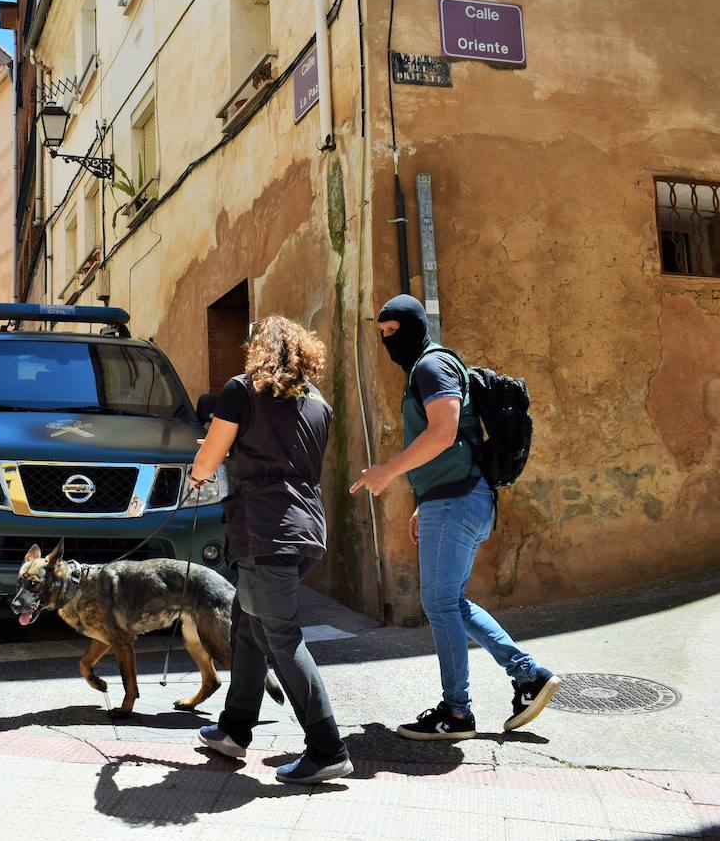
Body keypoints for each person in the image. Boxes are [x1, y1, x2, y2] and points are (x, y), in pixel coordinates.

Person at [350, 294, 558, 740]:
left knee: (441, 603)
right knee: (451, 602)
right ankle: (528, 677)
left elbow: (444, 434)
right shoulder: (426, 367)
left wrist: (388, 472)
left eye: (393, 332)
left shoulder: (431, 367)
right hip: (452, 499)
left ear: (413, 326)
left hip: (459, 498)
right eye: (381, 333)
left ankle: (457, 713)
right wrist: (422, 502)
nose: (387, 341)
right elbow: (450, 440)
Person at [192, 316, 352, 785]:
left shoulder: (241, 390)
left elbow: (207, 461)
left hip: (265, 531)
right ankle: (234, 730)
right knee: (247, 624)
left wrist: (209, 459)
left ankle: (328, 748)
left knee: (279, 635)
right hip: (304, 530)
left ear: (257, 349)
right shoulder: (319, 403)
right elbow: (285, 455)